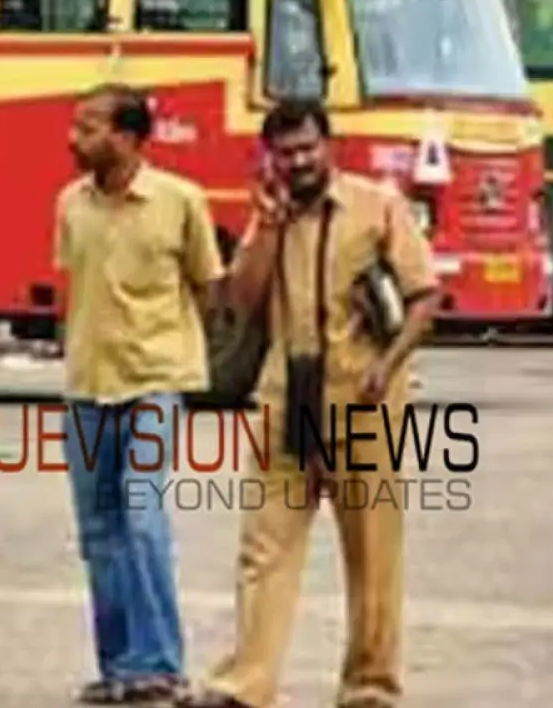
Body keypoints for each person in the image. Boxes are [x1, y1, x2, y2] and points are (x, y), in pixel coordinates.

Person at [181, 99, 441, 708]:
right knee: (265, 547)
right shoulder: (271, 216)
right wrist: (266, 227)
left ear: (330, 146)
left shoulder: (378, 207)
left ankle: (370, 686)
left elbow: (425, 298)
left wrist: (387, 365)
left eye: (307, 149)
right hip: (286, 400)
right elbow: (240, 302)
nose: (298, 162)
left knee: (373, 552)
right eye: (286, 153)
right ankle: (246, 684)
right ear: (272, 157)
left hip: (363, 402)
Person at [53, 83, 224, 705]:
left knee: (143, 519)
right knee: (99, 530)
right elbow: (75, 285)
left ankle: (160, 663)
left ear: (127, 138)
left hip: (154, 381)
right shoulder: (70, 203)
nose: (76, 139)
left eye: (90, 127)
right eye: (77, 126)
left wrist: (195, 364)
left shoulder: (181, 202)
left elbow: (210, 289)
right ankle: (120, 666)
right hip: (87, 387)